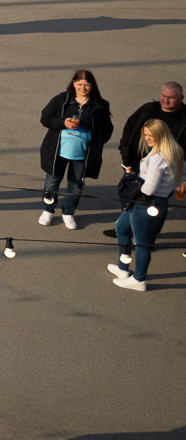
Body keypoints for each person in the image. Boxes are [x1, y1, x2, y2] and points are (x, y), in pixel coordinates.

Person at [37, 69, 112, 230]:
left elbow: (107, 130)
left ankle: (68, 212)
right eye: (79, 84)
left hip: (82, 153)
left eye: (87, 84)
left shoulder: (100, 105)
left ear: (92, 86)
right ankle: (47, 210)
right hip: (58, 150)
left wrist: (95, 140)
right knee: (52, 181)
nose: (83, 88)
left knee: (76, 184)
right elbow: (45, 118)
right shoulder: (62, 99)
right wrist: (63, 123)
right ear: (73, 83)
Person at [112, 117, 181, 291]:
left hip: (146, 202)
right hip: (157, 201)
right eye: (146, 135)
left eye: (152, 135)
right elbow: (184, 172)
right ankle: (123, 268)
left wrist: (132, 178)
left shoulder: (158, 158)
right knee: (120, 227)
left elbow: (149, 188)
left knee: (142, 243)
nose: (148, 138)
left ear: (162, 134)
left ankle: (139, 279)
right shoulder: (174, 151)